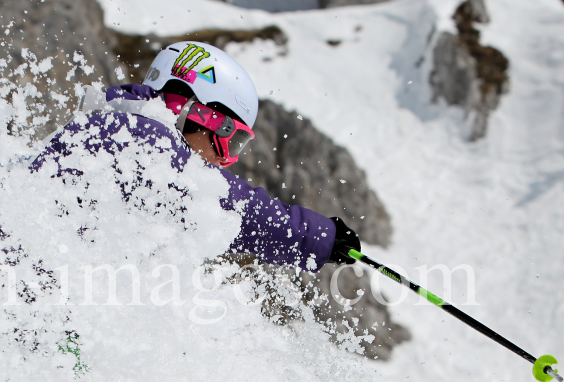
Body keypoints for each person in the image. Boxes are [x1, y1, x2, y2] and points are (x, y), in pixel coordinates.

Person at [30, 41, 361, 272]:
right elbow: (227, 205)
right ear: (195, 112)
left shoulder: (115, 127)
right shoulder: (139, 137)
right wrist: (316, 237)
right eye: (228, 141)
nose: (223, 160)